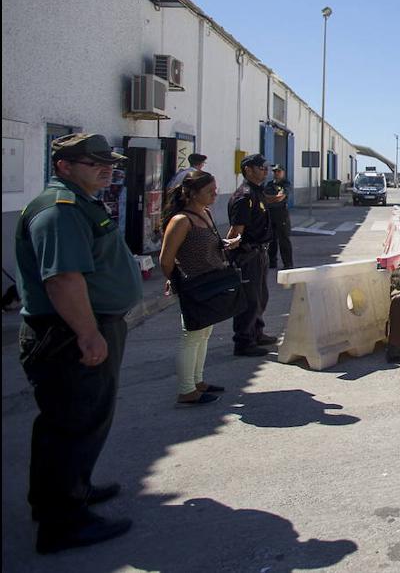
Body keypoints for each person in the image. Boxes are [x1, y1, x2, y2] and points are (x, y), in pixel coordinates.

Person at [14, 133, 140, 553]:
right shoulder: (60, 210)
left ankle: (69, 491)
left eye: (110, 164)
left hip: (83, 327)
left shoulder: (80, 203)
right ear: (64, 166)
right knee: (72, 423)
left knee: (79, 420)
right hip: (68, 334)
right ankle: (62, 523)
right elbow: (64, 279)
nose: (107, 170)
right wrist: (87, 333)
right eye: (95, 163)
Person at [160, 170, 240, 405]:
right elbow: (166, 260)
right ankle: (187, 390)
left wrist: (226, 244)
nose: (215, 195)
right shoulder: (181, 221)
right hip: (194, 285)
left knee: (203, 334)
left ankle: (197, 381)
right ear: (192, 193)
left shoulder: (205, 213)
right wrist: (175, 280)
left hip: (210, 283)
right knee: (192, 335)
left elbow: (207, 244)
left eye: (215, 190)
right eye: (209, 191)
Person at [228, 153, 278, 357]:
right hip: (248, 254)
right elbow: (236, 231)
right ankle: (244, 341)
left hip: (260, 252)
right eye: (261, 168)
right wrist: (230, 255)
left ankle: (257, 332)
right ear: (248, 170)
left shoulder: (257, 192)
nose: (265, 171)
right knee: (249, 299)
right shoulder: (245, 196)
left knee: (260, 297)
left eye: (266, 168)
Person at [264, 165, 293, 269]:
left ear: (283, 172)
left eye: (279, 171)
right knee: (271, 240)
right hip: (270, 213)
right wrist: (274, 198)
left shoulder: (285, 184)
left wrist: (270, 198)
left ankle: (288, 264)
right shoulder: (269, 184)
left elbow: (280, 198)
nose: (276, 173)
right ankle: (272, 262)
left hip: (281, 214)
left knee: (284, 240)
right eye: (275, 171)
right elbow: (263, 197)